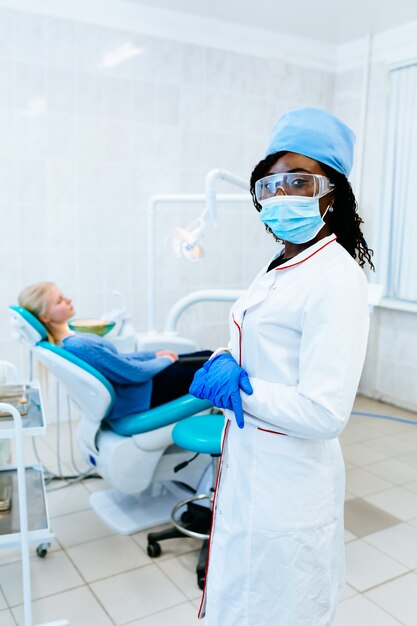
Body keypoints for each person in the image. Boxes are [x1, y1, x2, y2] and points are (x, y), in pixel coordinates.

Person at [190, 107, 374, 625]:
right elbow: (252, 342)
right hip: (249, 467)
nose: (280, 195)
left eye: (298, 180)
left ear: (331, 192)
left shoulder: (335, 278)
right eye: (270, 185)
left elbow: (324, 412)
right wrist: (227, 355)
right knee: (238, 598)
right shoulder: (277, 268)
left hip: (288, 487)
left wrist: (237, 389)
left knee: (280, 606)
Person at [18, 282, 211, 420]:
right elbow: (133, 373)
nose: (68, 300)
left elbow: (118, 360)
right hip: (144, 394)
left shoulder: (69, 341)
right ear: (45, 317)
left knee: (210, 356)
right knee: (212, 364)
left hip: (140, 390)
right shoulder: (78, 345)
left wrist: (154, 355)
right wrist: (166, 360)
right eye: (59, 301)